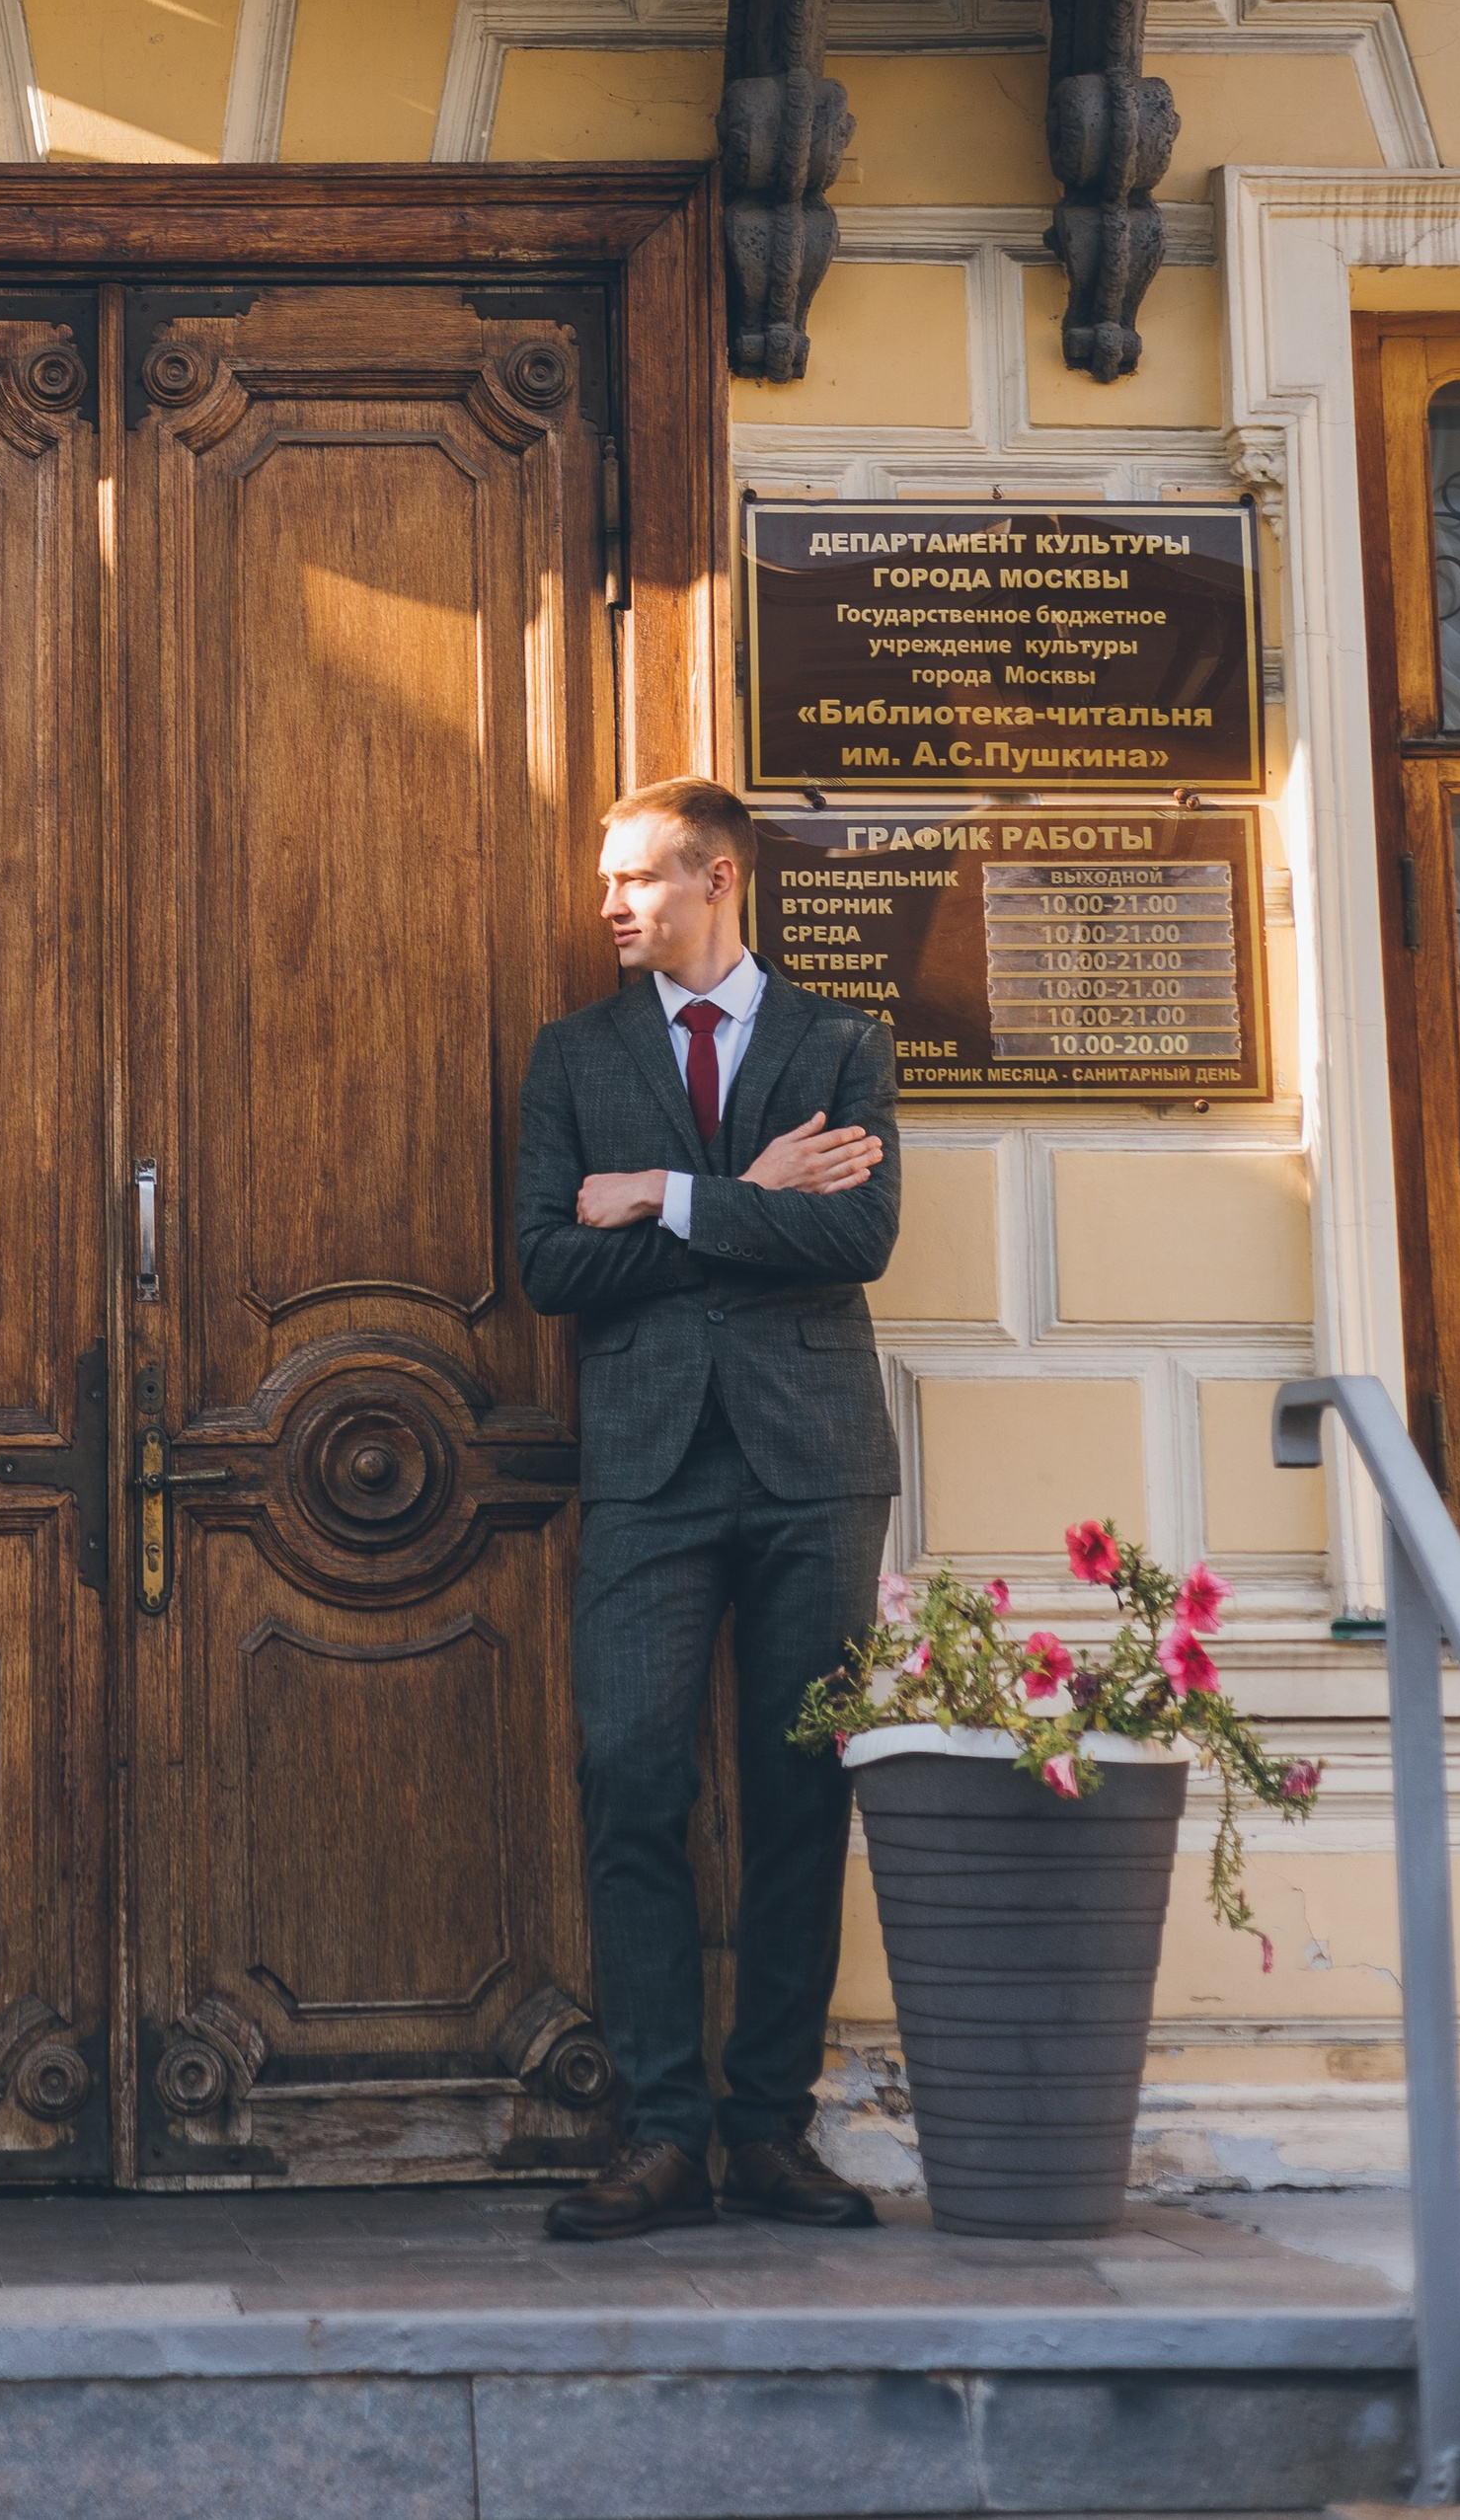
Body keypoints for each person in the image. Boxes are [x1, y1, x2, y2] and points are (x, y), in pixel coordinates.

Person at [514, 778, 899, 2238]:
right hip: (649, 1471)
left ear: (718, 876)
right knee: (631, 1782)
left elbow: (854, 1234)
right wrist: (749, 1197)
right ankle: (663, 2134)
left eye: (636, 878)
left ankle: (770, 2132)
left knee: (803, 1794)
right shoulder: (573, 1056)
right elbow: (553, 1264)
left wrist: (667, 1196)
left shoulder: (840, 1043)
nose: (611, 903)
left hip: (814, 1466)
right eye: (609, 881)